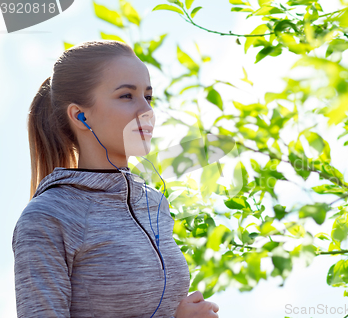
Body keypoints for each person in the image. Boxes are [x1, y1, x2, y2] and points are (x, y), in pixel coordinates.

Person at [12, 40, 219, 318]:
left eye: (148, 97)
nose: (146, 110)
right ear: (80, 115)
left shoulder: (154, 203)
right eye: (126, 96)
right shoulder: (49, 216)